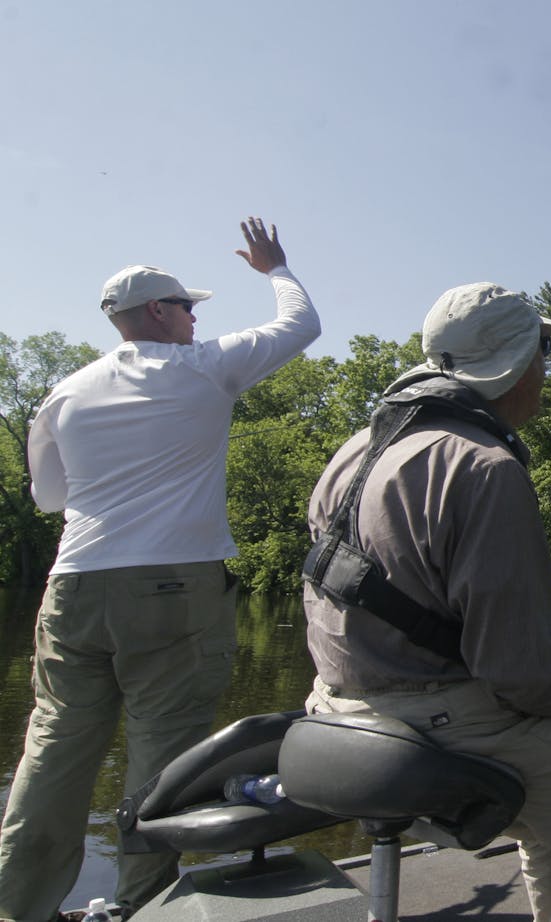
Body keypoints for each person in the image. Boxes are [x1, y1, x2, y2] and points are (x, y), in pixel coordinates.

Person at [302, 282, 551, 922]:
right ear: (512, 362)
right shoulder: (483, 465)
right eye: (541, 353)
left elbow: (407, 600)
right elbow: (522, 676)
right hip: (435, 726)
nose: (545, 370)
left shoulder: (353, 454)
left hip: (334, 709)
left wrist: (544, 632)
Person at [0, 218, 321, 922]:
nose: (196, 316)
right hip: (174, 591)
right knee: (162, 759)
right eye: (187, 306)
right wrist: (275, 268)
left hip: (74, 586)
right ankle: (140, 907)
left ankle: (19, 910)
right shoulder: (206, 365)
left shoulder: (64, 392)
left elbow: (50, 497)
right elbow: (302, 325)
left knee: (50, 758)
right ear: (156, 312)